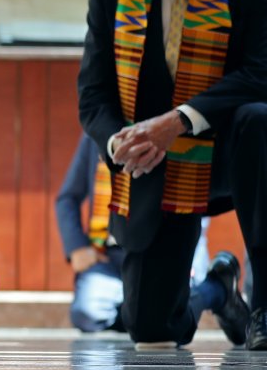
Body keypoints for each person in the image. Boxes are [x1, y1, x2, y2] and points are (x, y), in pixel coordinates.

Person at [78, 0, 267, 349]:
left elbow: (261, 73)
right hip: (160, 164)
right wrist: (118, 141)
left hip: (236, 151)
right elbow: (93, 94)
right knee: (150, 328)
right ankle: (217, 291)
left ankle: (263, 304)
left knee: (259, 120)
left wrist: (179, 120)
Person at [56, 132, 211, 333]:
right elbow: (67, 198)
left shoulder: (172, 130)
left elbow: (195, 204)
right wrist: (76, 247)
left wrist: (190, 255)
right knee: (87, 312)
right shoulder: (96, 135)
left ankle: (218, 290)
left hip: (160, 252)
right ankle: (137, 315)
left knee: (176, 314)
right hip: (109, 257)